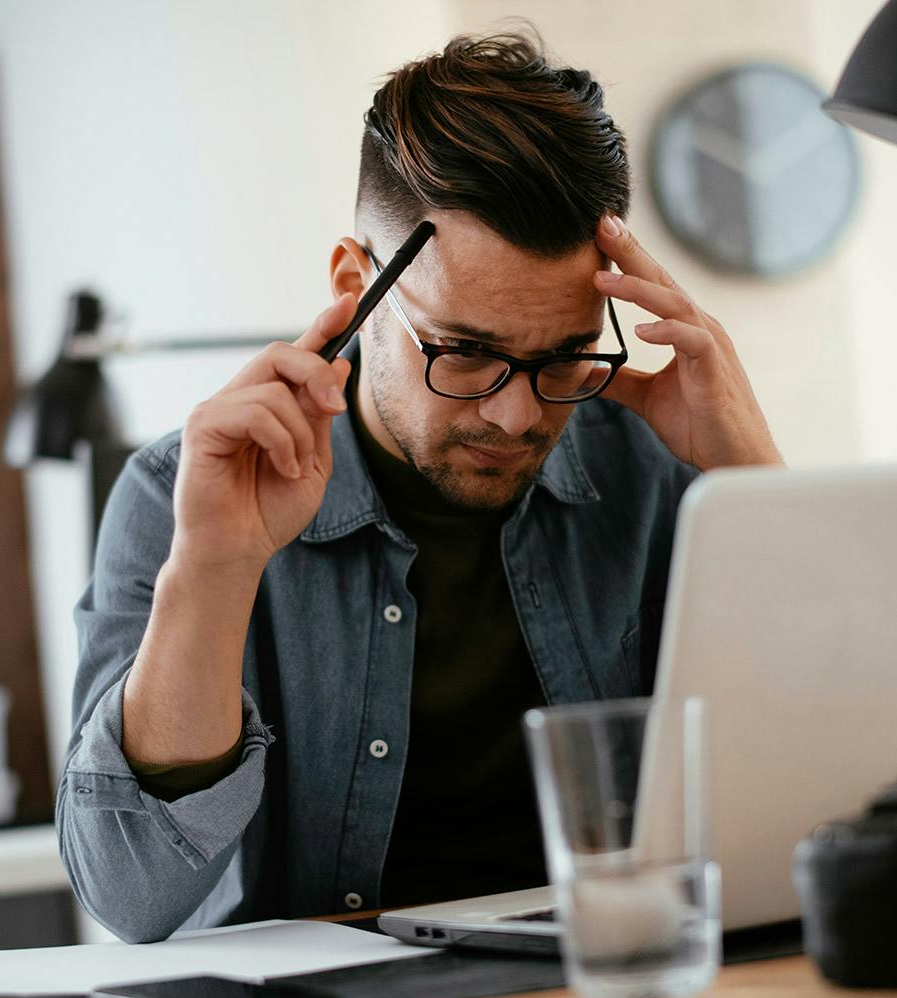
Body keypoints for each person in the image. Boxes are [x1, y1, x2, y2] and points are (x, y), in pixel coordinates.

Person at [58, 30, 782, 944]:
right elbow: (129, 897)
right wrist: (213, 569)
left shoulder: (658, 470)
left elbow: (849, 777)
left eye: (563, 358)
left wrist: (752, 477)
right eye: (469, 353)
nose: (519, 416)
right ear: (356, 286)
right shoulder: (179, 497)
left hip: (617, 982)